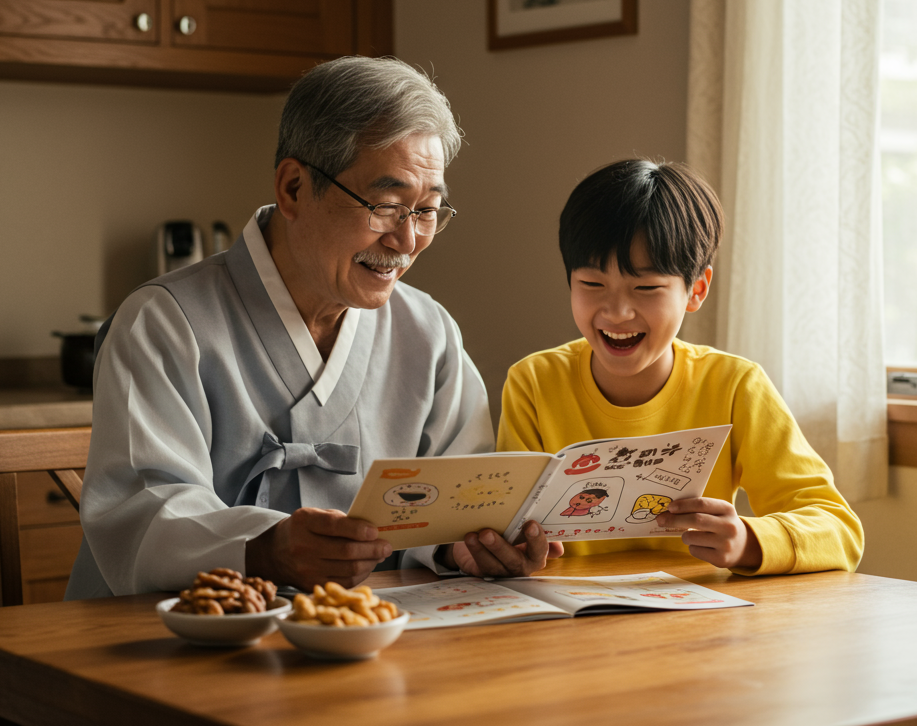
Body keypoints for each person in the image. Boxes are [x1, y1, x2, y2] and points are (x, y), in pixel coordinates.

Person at [66, 57, 559, 599]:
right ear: (294, 188)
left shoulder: (429, 333)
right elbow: (142, 515)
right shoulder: (163, 323)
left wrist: (465, 544)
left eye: (427, 211)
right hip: (173, 645)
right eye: (388, 205)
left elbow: (461, 495)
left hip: (363, 648)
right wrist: (265, 548)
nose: (408, 240)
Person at [496, 159, 863, 575]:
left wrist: (747, 541)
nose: (616, 312)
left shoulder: (734, 386)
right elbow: (508, 524)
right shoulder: (534, 382)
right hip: (565, 622)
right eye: (592, 285)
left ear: (697, 289)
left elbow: (839, 529)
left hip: (697, 625)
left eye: (647, 288)